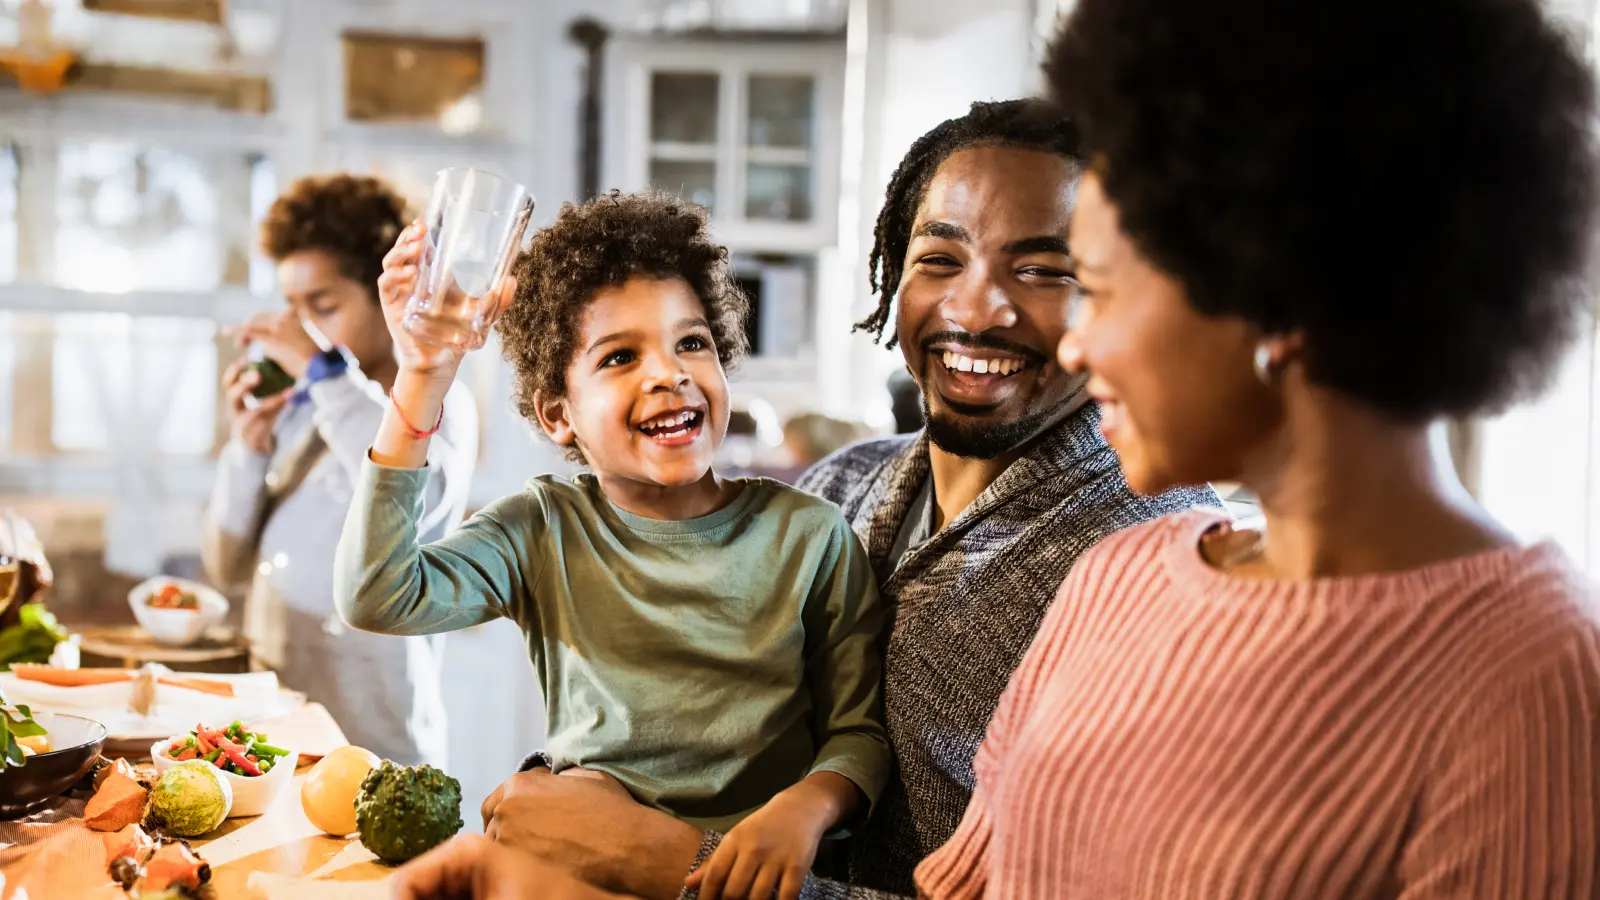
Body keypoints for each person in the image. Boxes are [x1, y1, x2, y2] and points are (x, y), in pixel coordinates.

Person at [911, 0, 1600, 895]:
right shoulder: (1118, 578)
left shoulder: (1531, 682)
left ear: (1276, 297)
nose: (1077, 346)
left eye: (1103, 291)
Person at [466, 99, 1219, 900]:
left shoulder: (1165, 565)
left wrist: (678, 864)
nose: (972, 309)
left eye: (1042, 270)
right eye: (939, 259)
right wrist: (574, 794)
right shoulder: (842, 483)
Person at [336, 190, 890, 900]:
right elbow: (378, 593)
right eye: (620, 356)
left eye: (693, 342)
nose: (669, 372)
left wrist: (807, 806)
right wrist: (419, 379)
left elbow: (861, 734)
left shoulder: (810, 536)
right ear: (559, 415)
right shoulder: (542, 529)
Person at [202, 173, 477, 767]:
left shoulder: (434, 401)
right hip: (275, 716)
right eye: (293, 309)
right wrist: (246, 451)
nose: (301, 330)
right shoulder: (305, 408)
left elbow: (417, 495)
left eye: (322, 307)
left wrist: (325, 369)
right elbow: (225, 566)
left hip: (370, 731)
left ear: (387, 295)